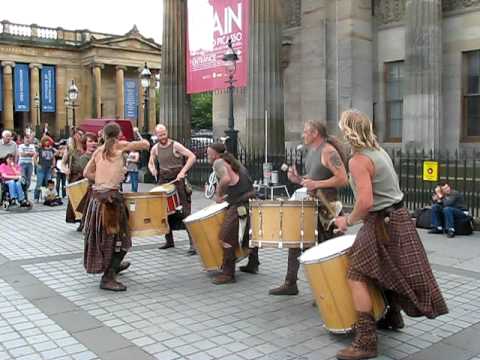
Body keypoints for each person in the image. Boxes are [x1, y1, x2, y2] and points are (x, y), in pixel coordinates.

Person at [333, 109, 448, 360]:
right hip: (397, 217)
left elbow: (365, 202)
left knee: (356, 274)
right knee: (386, 268)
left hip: (380, 221)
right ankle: (393, 317)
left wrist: (347, 220)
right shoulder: (379, 151)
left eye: (342, 127)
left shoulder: (359, 160)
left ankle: (366, 342)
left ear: (348, 131)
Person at [269, 120, 348, 296]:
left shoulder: (328, 151)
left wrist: (316, 183)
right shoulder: (312, 151)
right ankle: (290, 283)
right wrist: (298, 180)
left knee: (329, 248)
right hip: (312, 203)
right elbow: (312, 179)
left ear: (315, 134)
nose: (303, 135)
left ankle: (333, 291)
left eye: (305, 132)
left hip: (328, 206)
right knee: (297, 239)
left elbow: (343, 179)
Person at [83, 123, 150, 291]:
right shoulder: (119, 145)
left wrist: (101, 180)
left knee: (105, 239)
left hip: (97, 198)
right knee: (122, 239)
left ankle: (113, 267)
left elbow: (86, 173)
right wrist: (136, 132)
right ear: (118, 135)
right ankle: (108, 276)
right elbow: (146, 145)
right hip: (111, 200)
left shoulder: (99, 150)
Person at [207, 143, 260, 275]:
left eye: (209, 154)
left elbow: (226, 178)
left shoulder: (218, 162)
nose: (207, 156)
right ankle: (253, 264)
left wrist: (218, 195)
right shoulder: (232, 160)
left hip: (240, 203)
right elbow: (237, 181)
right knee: (249, 234)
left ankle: (228, 273)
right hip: (250, 199)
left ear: (215, 154)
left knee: (225, 237)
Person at [148, 124, 197, 255]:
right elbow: (151, 161)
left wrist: (183, 171)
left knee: (185, 212)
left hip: (178, 181)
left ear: (167, 132)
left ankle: (194, 244)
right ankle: (169, 241)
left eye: (164, 134)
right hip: (163, 181)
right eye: (160, 135)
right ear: (156, 135)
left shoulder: (175, 145)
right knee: (164, 212)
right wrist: (152, 168)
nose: (162, 137)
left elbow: (192, 156)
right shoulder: (155, 148)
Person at [76, 133, 99, 232]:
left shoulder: (100, 156)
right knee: (90, 208)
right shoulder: (83, 158)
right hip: (93, 186)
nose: (94, 143)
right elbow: (87, 173)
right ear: (85, 143)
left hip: (101, 186)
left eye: (95, 141)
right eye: (90, 141)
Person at [62, 128, 85, 223]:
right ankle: (78, 218)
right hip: (75, 177)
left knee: (85, 199)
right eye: (80, 134)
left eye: (83, 134)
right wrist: (65, 169)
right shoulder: (70, 149)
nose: (81, 136)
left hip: (85, 177)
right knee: (76, 198)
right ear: (75, 135)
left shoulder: (86, 148)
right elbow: (63, 163)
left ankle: (84, 219)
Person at [34, 136, 56, 202]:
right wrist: (37, 165)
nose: (47, 142)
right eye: (46, 141)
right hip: (41, 168)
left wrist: (53, 165)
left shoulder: (51, 149)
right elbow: (34, 157)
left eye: (48, 141)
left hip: (49, 168)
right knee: (39, 183)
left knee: (48, 183)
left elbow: (53, 157)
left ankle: (47, 197)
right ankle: (36, 197)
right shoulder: (40, 149)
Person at [17, 134, 36, 199]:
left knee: (29, 180)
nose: (27, 140)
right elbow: (21, 154)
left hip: (30, 164)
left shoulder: (32, 146)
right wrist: (28, 153)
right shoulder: (20, 146)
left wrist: (26, 153)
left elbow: (33, 154)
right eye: (26, 138)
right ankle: (23, 192)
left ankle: (25, 190)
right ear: (24, 139)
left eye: (28, 139)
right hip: (22, 164)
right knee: (23, 178)